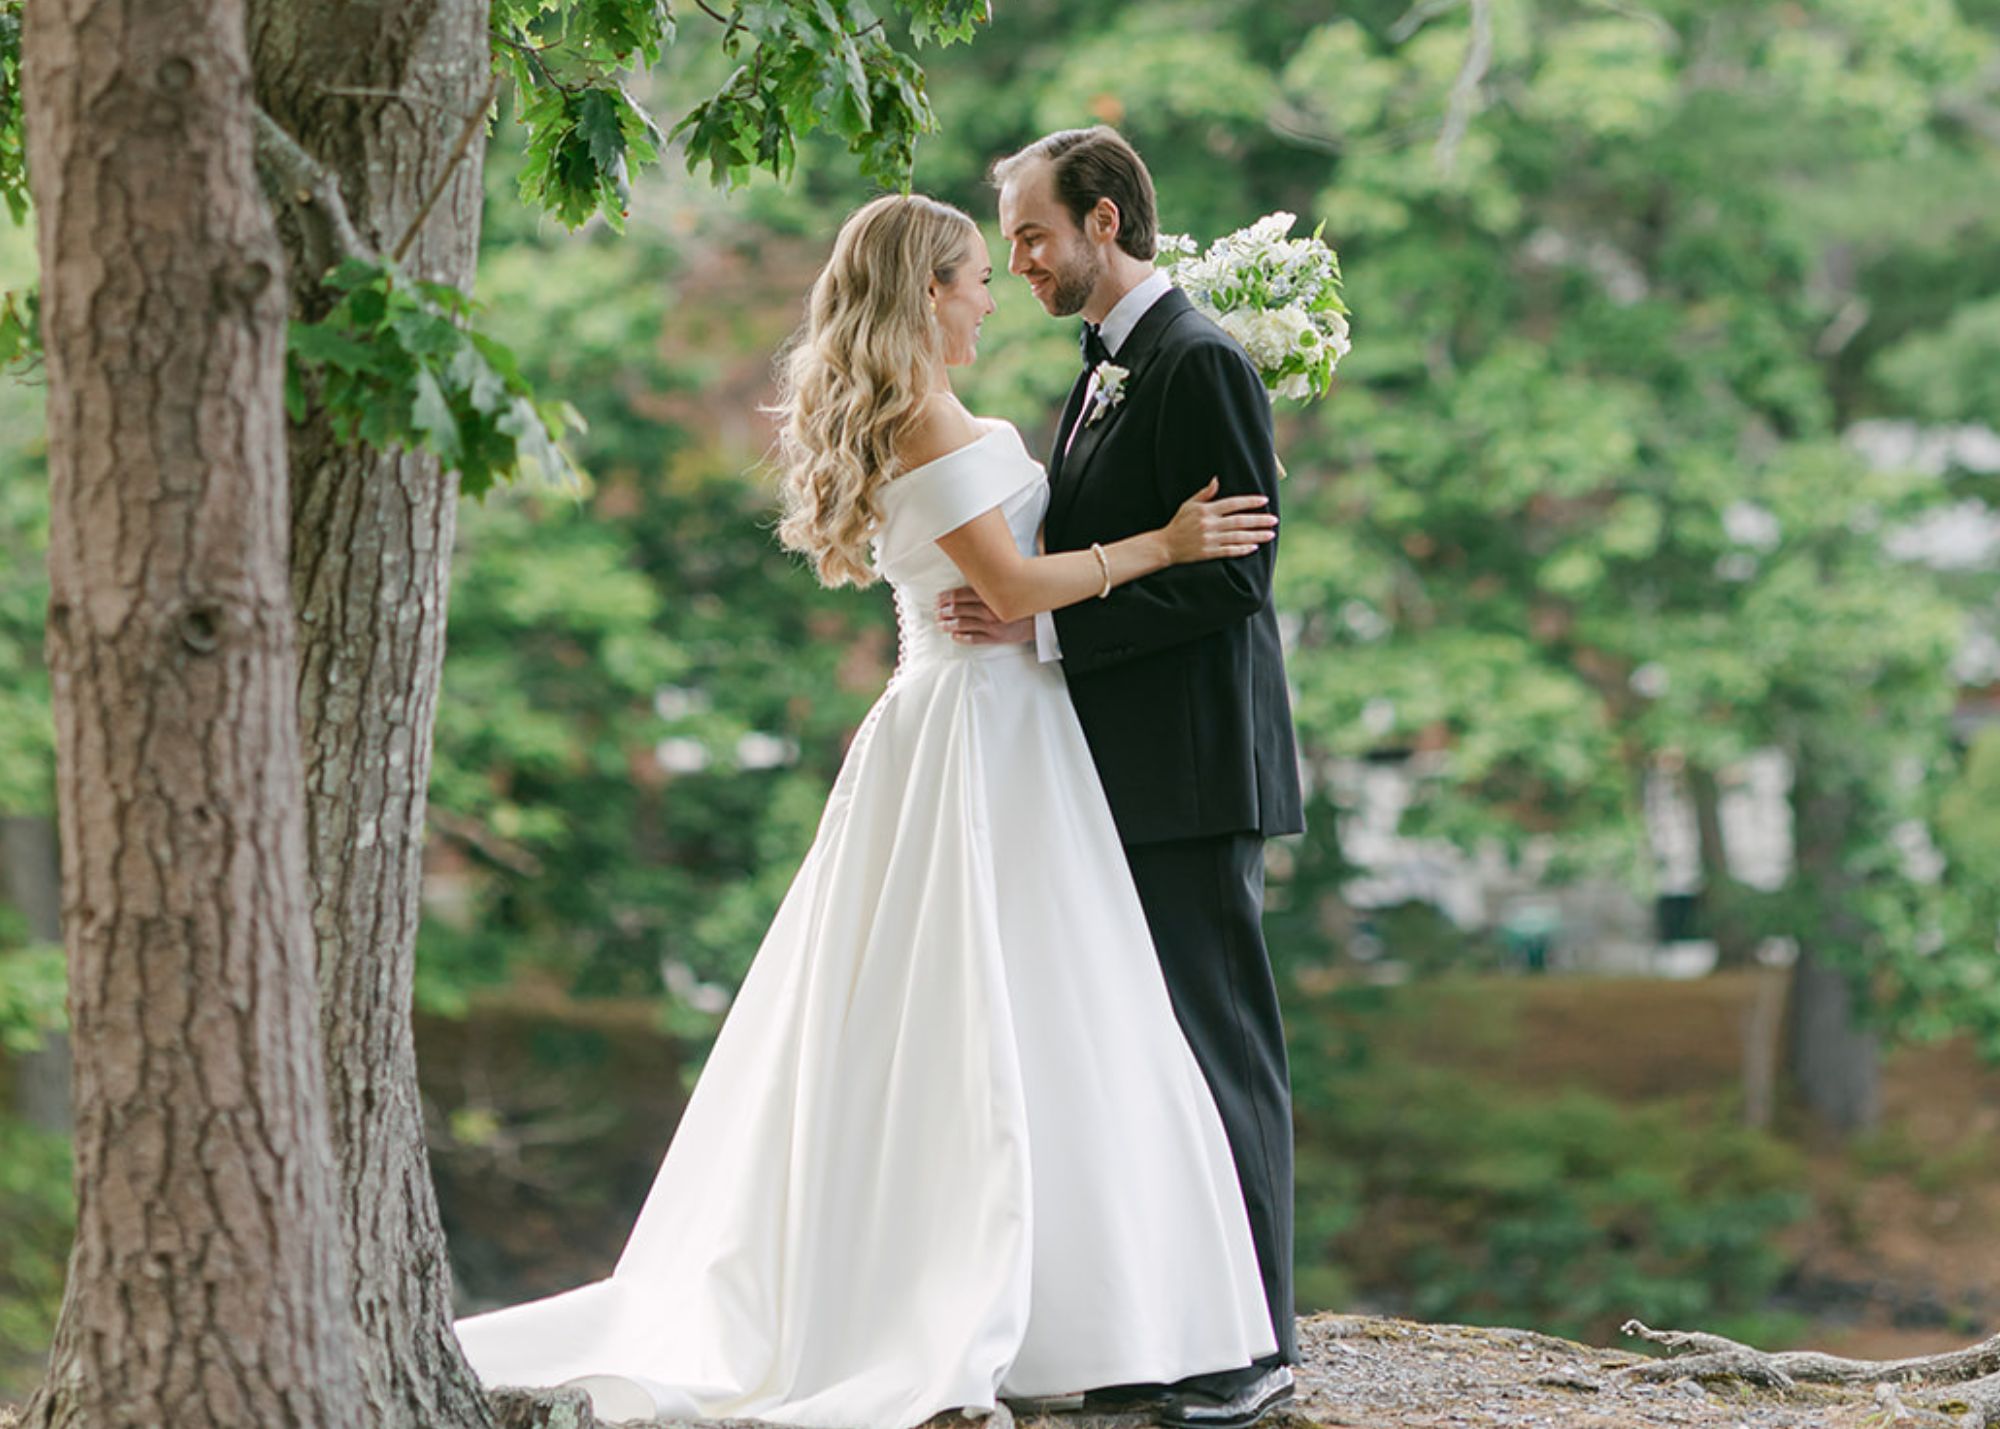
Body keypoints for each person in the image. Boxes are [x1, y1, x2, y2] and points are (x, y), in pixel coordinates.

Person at [453, 192, 1283, 1429]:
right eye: (973, 277)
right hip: (978, 724)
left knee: (1023, 1006)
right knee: (995, 1006)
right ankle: (1033, 1301)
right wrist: (1159, 546)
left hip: (972, 714)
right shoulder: (926, 418)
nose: (992, 295)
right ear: (925, 292)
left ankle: (1099, 1298)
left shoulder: (915, 412)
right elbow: (1004, 584)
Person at [939, 126, 1306, 1428]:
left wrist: (1049, 626)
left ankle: (1256, 1347)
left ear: (1105, 222)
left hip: (1199, 769)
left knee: (1221, 1052)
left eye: (1034, 234)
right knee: (1149, 1056)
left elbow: (1235, 575)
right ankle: (1177, 1327)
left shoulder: (1198, 359)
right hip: (1120, 772)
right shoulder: (1108, 367)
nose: (1022, 262)